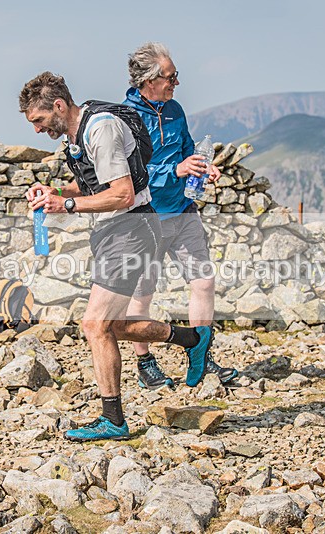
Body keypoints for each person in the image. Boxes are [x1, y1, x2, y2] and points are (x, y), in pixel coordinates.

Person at [19, 72, 215, 441]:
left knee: (95, 325)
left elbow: (123, 194)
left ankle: (114, 419)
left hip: (130, 230)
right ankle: (193, 339)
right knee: (113, 326)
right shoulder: (78, 135)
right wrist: (54, 189)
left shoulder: (101, 129)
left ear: (58, 105)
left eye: (39, 120)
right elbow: (97, 184)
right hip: (117, 232)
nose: (37, 130)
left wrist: (66, 204)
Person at [123, 42, 238, 390]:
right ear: (148, 80)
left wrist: (203, 167)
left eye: (176, 76)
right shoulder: (125, 118)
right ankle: (145, 363)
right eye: (171, 78)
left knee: (203, 282)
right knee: (142, 293)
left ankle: (201, 356)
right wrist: (175, 169)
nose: (176, 83)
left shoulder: (175, 109)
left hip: (184, 210)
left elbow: (188, 149)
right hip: (146, 216)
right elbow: (132, 171)